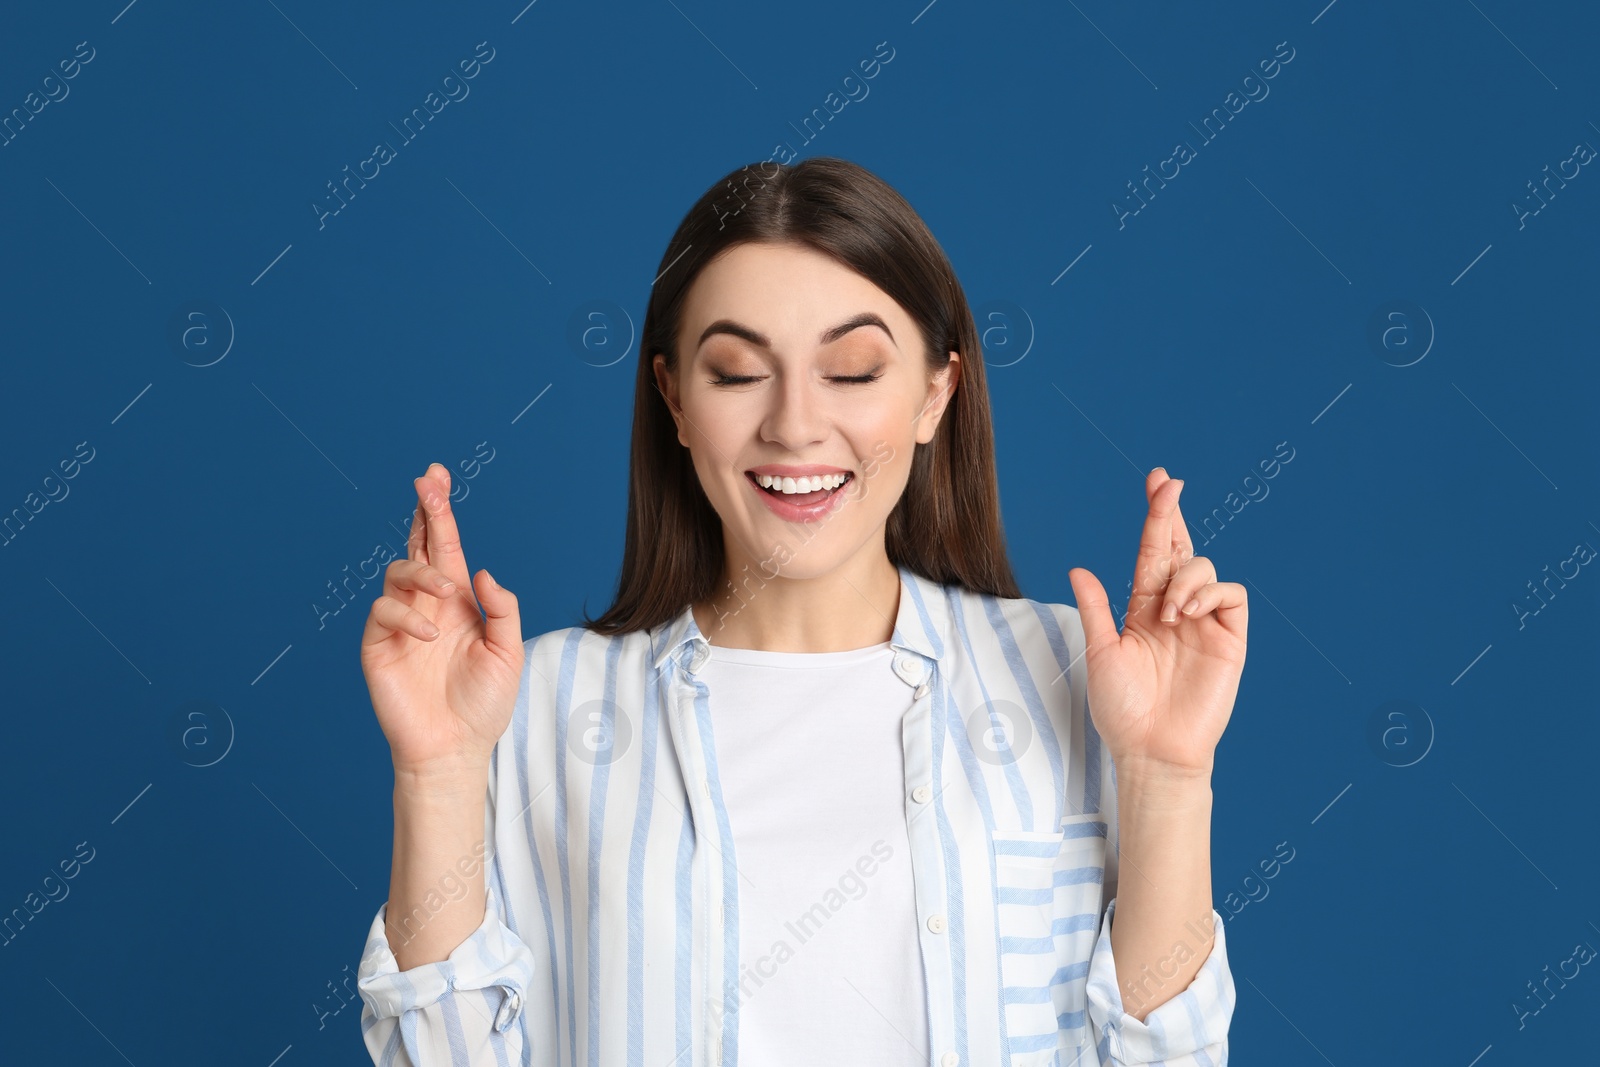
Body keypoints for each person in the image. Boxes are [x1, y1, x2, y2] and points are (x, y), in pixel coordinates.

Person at [354, 156, 1246, 1066]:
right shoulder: (534, 703)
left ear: (938, 391)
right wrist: (438, 772)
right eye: (738, 372)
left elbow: (1167, 1054)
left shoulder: (1074, 675)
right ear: (675, 399)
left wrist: (1170, 777)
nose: (794, 424)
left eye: (853, 371)